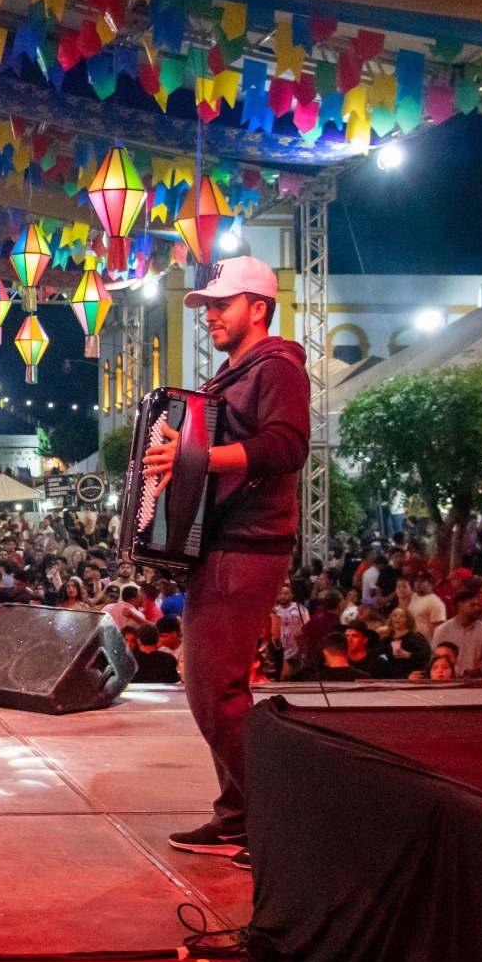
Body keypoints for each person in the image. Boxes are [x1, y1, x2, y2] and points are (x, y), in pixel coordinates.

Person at [144, 256, 309, 871]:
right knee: (208, 686)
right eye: (207, 306)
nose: (210, 315)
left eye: (222, 304)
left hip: (250, 542)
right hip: (219, 541)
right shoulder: (228, 378)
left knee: (217, 687)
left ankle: (275, 823)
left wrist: (198, 458)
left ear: (258, 308)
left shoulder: (279, 368)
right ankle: (238, 816)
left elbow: (288, 445)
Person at [432, 591, 482, 677]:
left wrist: (481, 666)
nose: (476, 608)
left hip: (475, 681)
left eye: (477, 605)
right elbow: (435, 658)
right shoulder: (442, 630)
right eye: (472, 605)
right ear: (460, 606)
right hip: (449, 680)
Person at [380, 607, 431, 678]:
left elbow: (426, 655)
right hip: (393, 677)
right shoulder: (387, 639)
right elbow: (377, 654)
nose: (398, 618)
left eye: (402, 616)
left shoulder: (416, 637)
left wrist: (408, 655)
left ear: (408, 620)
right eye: (395, 615)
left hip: (413, 676)